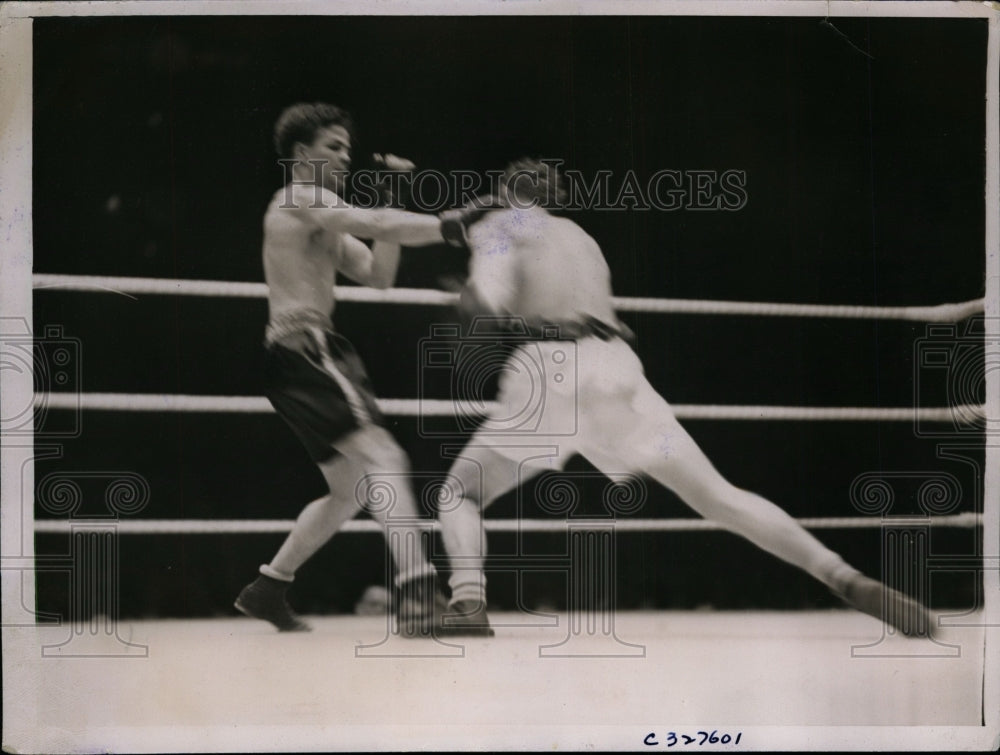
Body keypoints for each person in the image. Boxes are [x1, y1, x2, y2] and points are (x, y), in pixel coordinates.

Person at [433, 158, 936, 639]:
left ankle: (469, 602)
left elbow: (485, 302)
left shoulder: (499, 226)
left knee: (461, 493)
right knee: (718, 496)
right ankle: (842, 574)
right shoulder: (581, 238)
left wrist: (462, 301)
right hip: (619, 377)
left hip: (550, 376)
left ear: (504, 192)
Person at [235, 102, 448, 635]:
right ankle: (419, 590)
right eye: (334, 146)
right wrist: (454, 226)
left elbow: (378, 274)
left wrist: (394, 198)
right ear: (302, 154)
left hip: (301, 353)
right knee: (383, 454)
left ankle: (270, 587)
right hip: (307, 347)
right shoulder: (298, 196)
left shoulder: (320, 216)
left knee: (349, 490)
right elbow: (374, 222)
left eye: (348, 147)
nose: (346, 156)